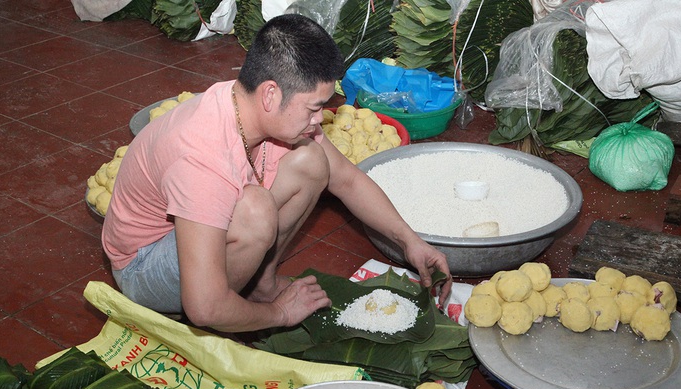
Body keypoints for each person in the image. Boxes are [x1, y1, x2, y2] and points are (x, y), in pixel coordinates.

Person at [102, 13, 452, 334]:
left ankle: (261, 285)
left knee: (313, 161)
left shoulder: (252, 104)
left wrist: (411, 242)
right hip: (143, 267)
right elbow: (204, 307)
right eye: (314, 108)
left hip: (192, 237)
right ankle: (244, 304)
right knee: (254, 210)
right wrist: (281, 314)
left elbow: (346, 179)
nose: (320, 119)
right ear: (271, 94)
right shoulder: (203, 158)